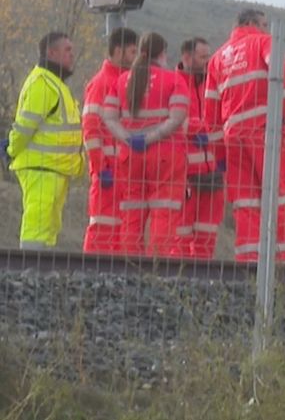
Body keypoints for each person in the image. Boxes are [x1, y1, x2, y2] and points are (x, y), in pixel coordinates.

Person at [204, 9, 285, 262]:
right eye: (263, 24)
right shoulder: (263, 42)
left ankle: (249, 263)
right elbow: (282, 70)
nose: (266, 29)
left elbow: (210, 115)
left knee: (245, 204)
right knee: (281, 197)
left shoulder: (217, 59)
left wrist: (219, 155)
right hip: (265, 133)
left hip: (233, 138)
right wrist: (282, 119)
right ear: (251, 23)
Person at [103, 33, 190, 257]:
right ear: (162, 53)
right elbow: (177, 117)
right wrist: (151, 137)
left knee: (132, 213)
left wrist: (129, 138)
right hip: (165, 154)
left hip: (130, 156)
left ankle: (130, 268)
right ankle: (157, 267)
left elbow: (109, 117)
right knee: (164, 211)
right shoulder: (174, 79)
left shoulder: (122, 80)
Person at [4, 32, 85, 249]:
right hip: (42, 168)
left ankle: (41, 273)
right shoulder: (43, 83)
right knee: (37, 227)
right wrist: (11, 149)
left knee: (47, 228)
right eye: (67, 50)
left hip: (53, 169)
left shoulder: (53, 84)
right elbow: (24, 127)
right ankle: (30, 273)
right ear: (51, 53)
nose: (72, 55)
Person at [82, 27, 138, 254]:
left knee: (121, 229)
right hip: (108, 171)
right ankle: (92, 275)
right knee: (103, 227)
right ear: (118, 51)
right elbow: (91, 128)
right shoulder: (102, 82)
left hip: (124, 170)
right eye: (133, 52)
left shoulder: (125, 82)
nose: (135, 58)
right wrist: (99, 167)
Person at [176, 37, 223, 259]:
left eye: (208, 57)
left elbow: (221, 120)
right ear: (187, 57)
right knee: (181, 233)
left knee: (207, 233)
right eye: (203, 57)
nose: (207, 62)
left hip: (212, 174)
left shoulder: (211, 85)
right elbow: (171, 121)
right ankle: (179, 277)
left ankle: (203, 277)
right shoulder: (173, 84)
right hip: (184, 175)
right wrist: (198, 130)